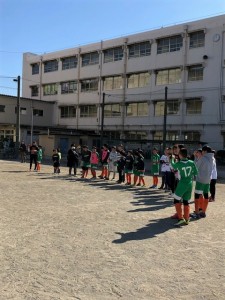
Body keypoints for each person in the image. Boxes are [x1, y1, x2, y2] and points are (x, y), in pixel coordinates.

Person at [170, 148, 198, 226]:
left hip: (182, 183)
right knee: (186, 201)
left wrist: (171, 159)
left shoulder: (179, 163)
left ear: (180, 155)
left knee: (176, 200)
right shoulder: (192, 162)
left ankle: (180, 218)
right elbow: (196, 172)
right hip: (190, 183)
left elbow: (173, 166)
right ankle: (186, 218)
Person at [191, 145, 214, 219]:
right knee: (206, 195)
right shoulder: (212, 158)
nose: (202, 152)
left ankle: (197, 213)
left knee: (197, 196)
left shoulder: (203, 158)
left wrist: (195, 157)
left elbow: (195, 167)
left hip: (200, 180)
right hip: (208, 180)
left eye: (203, 151)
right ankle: (203, 212)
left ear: (205, 151)